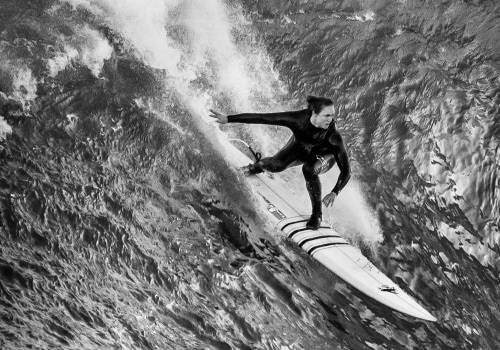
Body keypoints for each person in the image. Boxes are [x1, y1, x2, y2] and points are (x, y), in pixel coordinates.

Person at [209, 96, 350, 229]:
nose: (331, 120)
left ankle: (317, 214)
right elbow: (263, 118)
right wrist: (228, 119)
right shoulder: (297, 119)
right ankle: (256, 167)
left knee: (309, 169)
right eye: (327, 115)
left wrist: (335, 192)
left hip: (324, 156)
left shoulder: (334, 137)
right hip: (301, 147)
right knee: (274, 166)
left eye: (332, 115)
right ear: (314, 113)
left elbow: (346, 171)